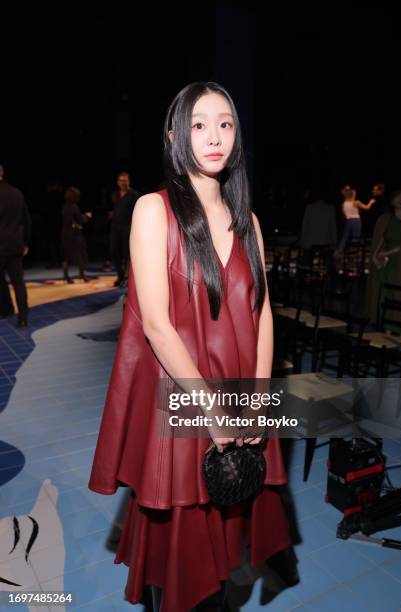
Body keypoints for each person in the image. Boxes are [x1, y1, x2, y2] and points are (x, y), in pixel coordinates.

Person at [88, 82, 291, 611]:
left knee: (226, 541)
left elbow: (262, 311)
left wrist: (258, 399)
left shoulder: (248, 221)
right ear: (175, 135)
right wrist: (213, 409)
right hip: (182, 401)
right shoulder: (154, 211)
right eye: (199, 124)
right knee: (181, 557)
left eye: (225, 123)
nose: (214, 136)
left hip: (239, 397)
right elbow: (155, 323)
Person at [365, 189, 401, 330]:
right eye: (398, 196)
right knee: (388, 293)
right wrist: (377, 257)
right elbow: (379, 244)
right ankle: (388, 326)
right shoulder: (385, 219)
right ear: (392, 201)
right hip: (392, 263)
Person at [0, 164, 30, 328]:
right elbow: (26, 220)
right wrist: (26, 242)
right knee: (19, 283)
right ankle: (23, 319)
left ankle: (6, 309)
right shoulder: (17, 193)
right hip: (15, 244)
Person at [110, 172, 139, 288]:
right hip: (115, 228)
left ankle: (127, 278)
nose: (124, 183)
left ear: (129, 181)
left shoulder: (134, 195)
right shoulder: (115, 195)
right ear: (118, 182)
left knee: (128, 254)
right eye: (121, 181)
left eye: (126, 180)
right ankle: (120, 276)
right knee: (113, 251)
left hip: (128, 228)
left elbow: (137, 212)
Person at [61, 187, 92, 283]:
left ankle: (65, 276)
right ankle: (82, 275)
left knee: (66, 255)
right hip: (75, 235)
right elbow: (80, 220)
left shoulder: (65, 207)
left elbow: (69, 220)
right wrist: (87, 216)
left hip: (65, 234)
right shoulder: (74, 207)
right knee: (81, 255)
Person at [335, 187, 375, 256]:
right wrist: (371, 202)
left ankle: (340, 251)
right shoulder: (356, 202)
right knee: (356, 236)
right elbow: (367, 207)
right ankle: (354, 252)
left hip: (348, 220)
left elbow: (344, 214)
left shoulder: (344, 203)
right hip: (356, 220)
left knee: (345, 236)